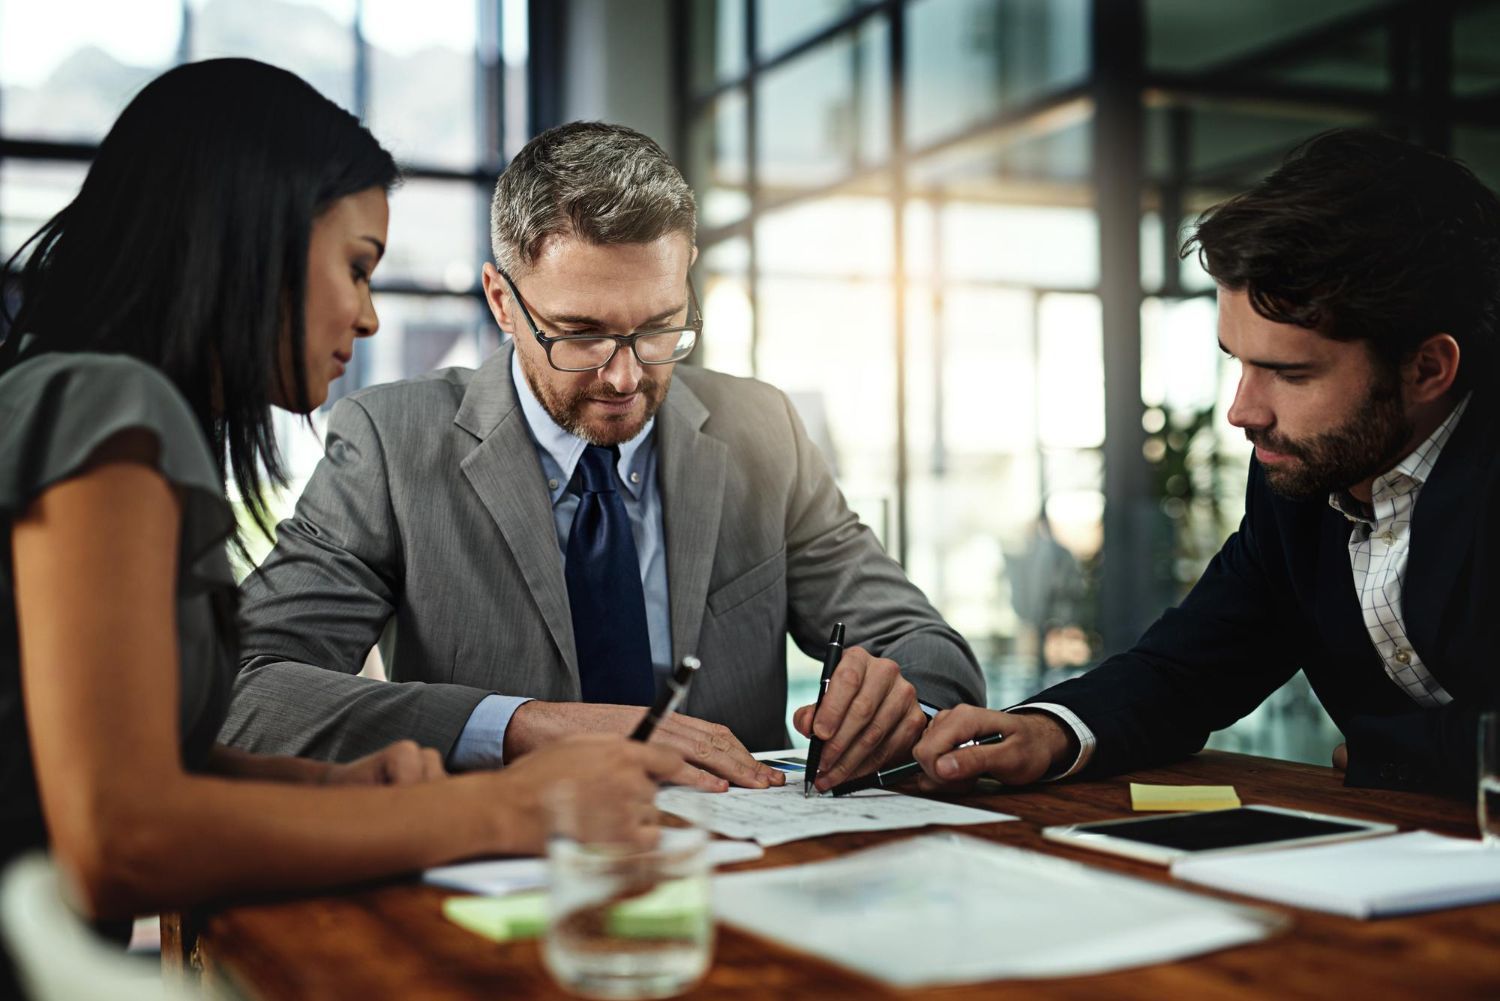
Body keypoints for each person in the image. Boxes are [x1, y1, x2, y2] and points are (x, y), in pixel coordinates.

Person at [0, 60, 681, 937]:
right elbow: (120, 837)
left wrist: (332, 786)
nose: (367, 319)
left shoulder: (67, 399)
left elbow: (108, 758)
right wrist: (512, 810)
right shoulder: (112, 413)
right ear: (253, 243)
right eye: (358, 268)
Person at [220, 121, 984, 794]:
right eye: (579, 332)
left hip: (742, 867)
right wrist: (521, 726)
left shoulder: (763, 430)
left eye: (660, 327)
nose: (624, 376)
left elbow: (932, 651)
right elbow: (241, 693)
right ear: (501, 301)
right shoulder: (392, 441)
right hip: (503, 872)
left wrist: (898, 703)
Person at [910, 129, 1500, 797]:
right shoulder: (1303, 472)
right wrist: (1052, 730)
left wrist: (1393, 753)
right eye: (1238, 361)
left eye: (1288, 373)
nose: (1244, 411)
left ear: (1427, 368)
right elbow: (1195, 663)